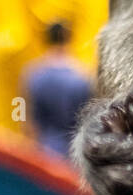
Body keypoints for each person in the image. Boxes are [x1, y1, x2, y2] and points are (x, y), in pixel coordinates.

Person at [24, 23, 93, 159]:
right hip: (75, 152)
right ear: (69, 39)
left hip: (46, 150)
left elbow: (23, 114)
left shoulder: (32, 74)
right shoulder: (82, 75)